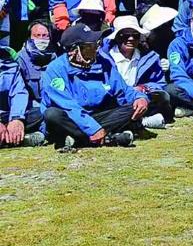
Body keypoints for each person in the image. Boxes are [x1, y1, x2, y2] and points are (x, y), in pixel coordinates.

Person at [42, 22, 149, 150]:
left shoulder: (104, 62)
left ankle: (80, 139)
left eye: (98, 44)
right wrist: (92, 128)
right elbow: (67, 105)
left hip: (98, 115)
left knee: (134, 107)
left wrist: (139, 98)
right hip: (72, 118)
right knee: (52, 114)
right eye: (91, 45)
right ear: (75, 50)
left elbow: (124, 90)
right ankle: (106, 137)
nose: (97, 48)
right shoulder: (55, 69)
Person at [101, 15, 172, 129]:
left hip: (140, 98)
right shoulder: (102, 58)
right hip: (112, 99)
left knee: (163, 97)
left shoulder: (150, 57)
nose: (131, 39)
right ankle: (141, 123)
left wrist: (142, 88)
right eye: (125, 35)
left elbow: (159, 83)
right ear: (116, 37)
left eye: (135, 35)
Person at [0, 45, 45, 147]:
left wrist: (16, 119)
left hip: (8, 114)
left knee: (43, 112)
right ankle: (19, 140)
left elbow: (19, 92)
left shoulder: (9, 61)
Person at [17, 20, 56, 108]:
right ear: (29, 37)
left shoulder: (55, 58)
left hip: (53, 105)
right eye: (37, 35)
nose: (41, 39)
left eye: (45, 35)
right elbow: (18, 93)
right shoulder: (20, 59)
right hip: (30, 107)